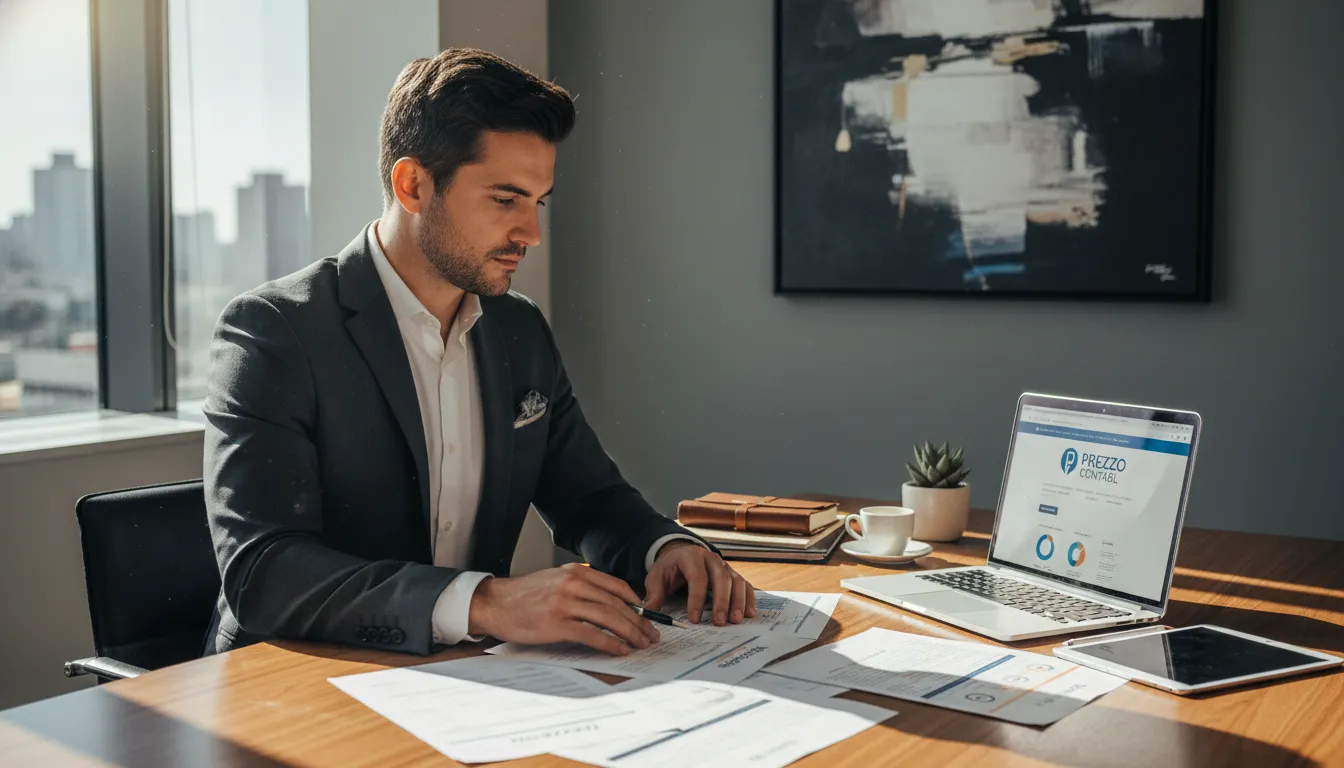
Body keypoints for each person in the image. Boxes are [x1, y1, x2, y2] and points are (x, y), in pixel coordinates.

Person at [202, 48, 756, 657]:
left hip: (471, 684)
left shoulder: (518, 330)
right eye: (504, 199)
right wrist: (489, 602)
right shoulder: (276, 331)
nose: (531, 233)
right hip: (295, 692)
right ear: (412, 184)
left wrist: (666, 549)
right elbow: (264, 573)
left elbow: (589, 497)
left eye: (537, 202)